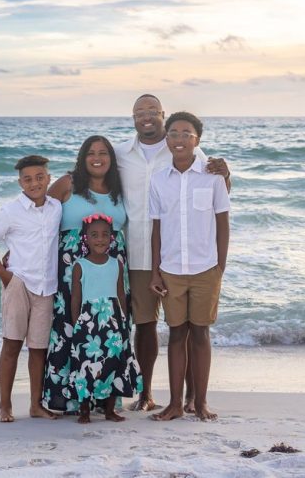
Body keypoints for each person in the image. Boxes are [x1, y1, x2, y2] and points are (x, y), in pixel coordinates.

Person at [114, 94, 231, 412]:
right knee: (145, 324)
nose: (146, 116)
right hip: (138, 250)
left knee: (189, 327)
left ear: (162, 115)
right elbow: (95, 176)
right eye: (140, 111)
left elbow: (216, 191)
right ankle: (146, 394)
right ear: (133, 117)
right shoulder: (120, 153)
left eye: (153, 110)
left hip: (183, 256)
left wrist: (227, 173)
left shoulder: (187, 149)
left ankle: (192, 397)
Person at [148, 112, 230, 421]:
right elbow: (156, 229)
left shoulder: (213, 177)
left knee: (200, 334)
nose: (179, 139)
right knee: (176, 334)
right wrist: (155, 271)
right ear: (166, 139)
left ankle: (201, 402)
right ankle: (175, 404)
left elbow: (223, 224)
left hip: (205, 269)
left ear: (197, 140)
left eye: (186, 133)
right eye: (173, 133)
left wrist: (219, 267)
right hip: (171, 270)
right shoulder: (158, 180)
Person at [42, 135, 131, 413]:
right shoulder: (67, 184)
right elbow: (38, 218)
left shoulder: (119, 188)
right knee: (71, 324)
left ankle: (106, 399)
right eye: (91, 153)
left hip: (112, 268)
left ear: (111, 159)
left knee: (110, 329)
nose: (97, 158)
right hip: (72, 267)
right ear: (82, 157)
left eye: (103, 153)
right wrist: (17, 250)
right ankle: (69, 398)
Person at [0, 155, 61, 423]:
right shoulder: (10, 211)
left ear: (48, 179)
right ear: (20, 183)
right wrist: (5, 276)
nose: (34, 183)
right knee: (12, 345)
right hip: (19, 284)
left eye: (40, 177)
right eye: (28, 179)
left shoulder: (56, 207)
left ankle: (36, 405)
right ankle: (5, 406)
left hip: (47, 287)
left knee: (39, 349)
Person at [69, 213, 142, 424]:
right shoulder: (80, 265)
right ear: (86, 238)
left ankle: (110, 410)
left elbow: (121, 294)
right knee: (86, 365)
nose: (100, 239)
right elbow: (76, 299)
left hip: (112, 321)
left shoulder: (116, 264)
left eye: (104, 235)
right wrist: (76, 324)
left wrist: (123, 322)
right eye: (94, 235)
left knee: (113, 363)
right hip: (87, 322)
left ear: (111, 237)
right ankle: (84, 410)